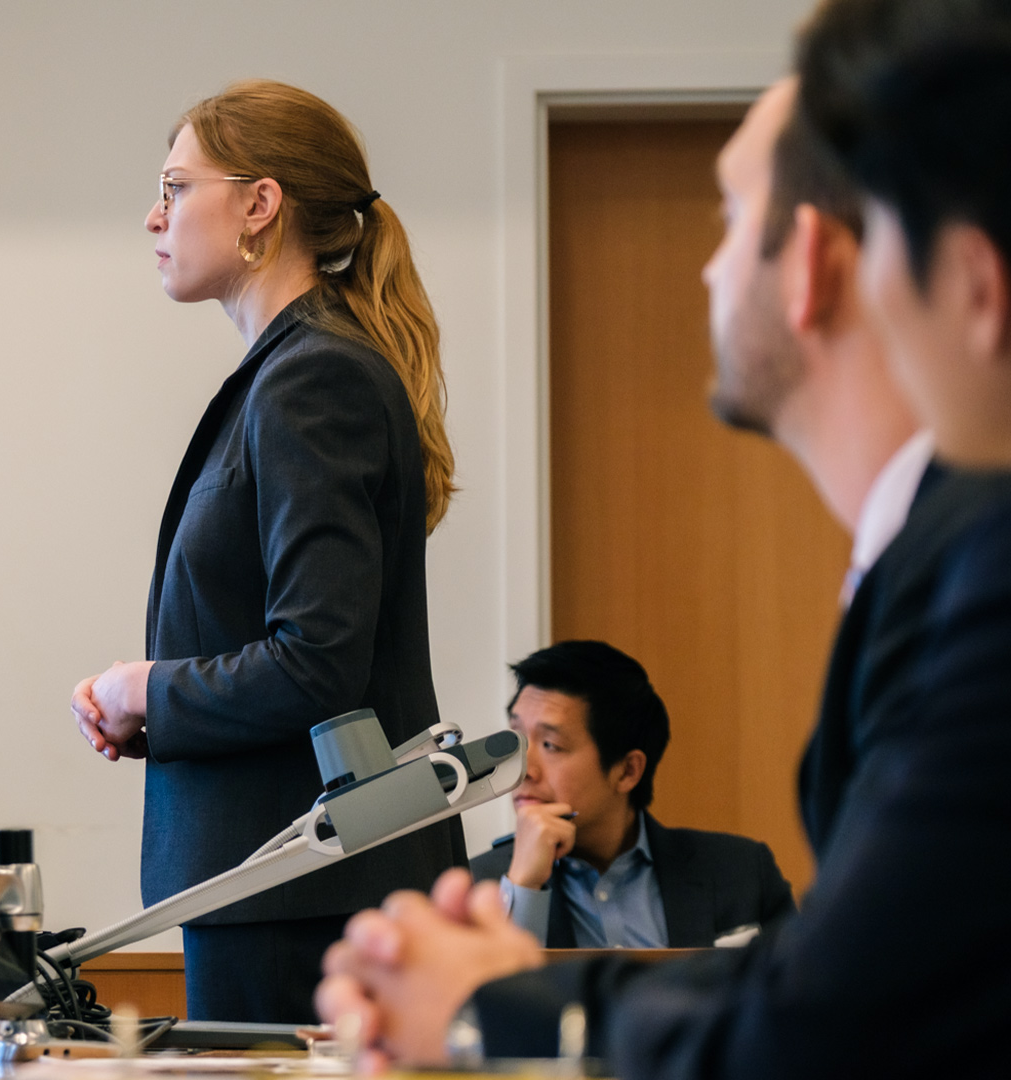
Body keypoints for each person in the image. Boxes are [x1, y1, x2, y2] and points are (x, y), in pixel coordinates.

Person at [312, 1, 1011, 1073]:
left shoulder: (984, 574)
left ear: (811, 264)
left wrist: (490, 1007)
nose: (708, 269)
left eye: (728, 218)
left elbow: (832, 1026)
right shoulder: (934, 554)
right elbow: (840, 972)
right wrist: (509, 989)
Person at [67, 80, 461, 1022]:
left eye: (176, 188)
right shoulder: (291, 372)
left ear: (259, 204)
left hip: (305, 892)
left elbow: (317, 663)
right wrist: (157, 711)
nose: (154, 215)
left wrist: (148, 687)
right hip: (277, 884)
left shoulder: (314, 379)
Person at [471, 641, 794, 949]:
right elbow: (486, 988)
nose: (523, 770)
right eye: (516, 741)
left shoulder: (742, 872)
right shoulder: (473, 887)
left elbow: (796, 983)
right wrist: (524, 887)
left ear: (627, 771)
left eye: (550, 745)